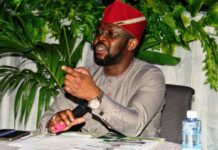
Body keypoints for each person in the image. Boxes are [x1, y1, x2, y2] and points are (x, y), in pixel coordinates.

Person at [40, 0, 165, 138]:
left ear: (131, 44)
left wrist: (95, 96)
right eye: (99, 32)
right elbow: (45, 123)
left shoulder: (150, 76)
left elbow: (134, 126)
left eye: (111, 34)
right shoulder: (85, 76)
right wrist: (53, 124)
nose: (100, 39)